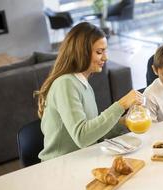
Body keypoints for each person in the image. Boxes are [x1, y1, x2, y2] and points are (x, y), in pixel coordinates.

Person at [36, 22, 143, 161]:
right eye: (99, 52)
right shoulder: (65, 83)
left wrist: (124, 122)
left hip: (83, 158)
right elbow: (82, 137)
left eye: (105, 51)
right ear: (81, 52)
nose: (105, 57)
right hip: (60, 165)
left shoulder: (83, 84)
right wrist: (121, 104)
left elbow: (93, 131)